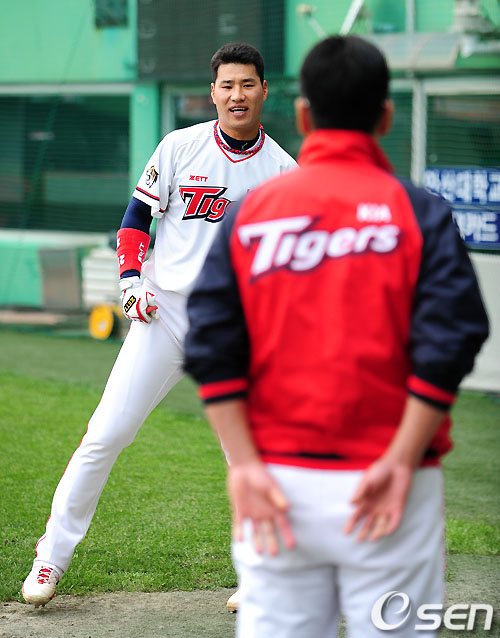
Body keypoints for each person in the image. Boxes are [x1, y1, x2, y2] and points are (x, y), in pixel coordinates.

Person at [184, 35, 489, 637]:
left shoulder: (254, 212)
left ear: (302, 115)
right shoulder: (421, 212)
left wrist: (243, 464)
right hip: (395, 484)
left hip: (276, 483)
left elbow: (210, 341)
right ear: (386, 116)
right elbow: (452, 340)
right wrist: (402, 459)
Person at [22, 41, 297, 609]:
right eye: (227, 85)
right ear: (213, 91)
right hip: (165, 314)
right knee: (106, 433)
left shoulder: (284, 173)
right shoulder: (179, 146)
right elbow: (135, 220)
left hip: (231, 328)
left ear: (264, 91)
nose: (237, 95)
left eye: (247, 84)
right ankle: (51, 556)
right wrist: (130, 280)